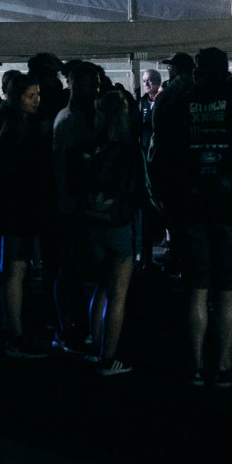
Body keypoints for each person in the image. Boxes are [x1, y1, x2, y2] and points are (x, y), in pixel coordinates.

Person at [153, 47, 232, 387]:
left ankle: (196, 365)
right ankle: (224, 365)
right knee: (227, 289)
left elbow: (162, 163)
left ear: (196, 74)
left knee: (196, 288)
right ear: (226, 73)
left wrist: (170, 207)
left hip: (190, 210)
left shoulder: (176, 108)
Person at [77, 90, 144, 376]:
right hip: (119, 224)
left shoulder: (89, 145)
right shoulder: (129, 149)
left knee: (101, 287)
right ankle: (109, 358)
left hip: (92, 222)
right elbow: (141, 192)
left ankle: (94, 347)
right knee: (118, 293)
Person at [0, 72, 50, 358]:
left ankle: (5, 330)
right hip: (18, 205)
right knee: (16, 269)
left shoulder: (0, 121)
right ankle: (15, 335)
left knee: (7, 270)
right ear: (18, 98)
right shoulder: (18, 128)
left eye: (38, 95)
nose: (37, 101)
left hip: (5, 204)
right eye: (31, 96)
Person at [51, 61, 101, 353]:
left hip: (74, 205)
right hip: (72, 206)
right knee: (70, 271)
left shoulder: (72, 116)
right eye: (89, 83)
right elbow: (68, 170)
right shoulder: (71, 119)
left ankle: (72, 325)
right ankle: (67, 327)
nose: (93, 89)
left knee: (74, 271)